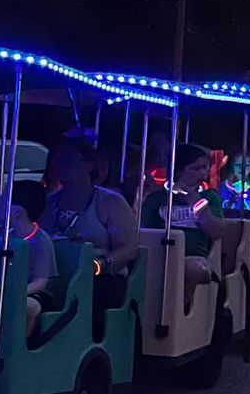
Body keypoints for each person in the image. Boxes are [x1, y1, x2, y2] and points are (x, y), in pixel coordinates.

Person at [45, 131, 141, 310]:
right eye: (58, 161)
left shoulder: (110, 201)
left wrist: (97, 266)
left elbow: (129, 248)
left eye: (70, 160)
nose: (62, 166)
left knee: (90, 293)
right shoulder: (49, 202)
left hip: (100, 277)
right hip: (55, 274)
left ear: (89, 165)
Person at [141, 146, 230, 305]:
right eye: (196, 168)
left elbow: (216, 231)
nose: (203, 173)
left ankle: (180, 307)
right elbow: (144, 230)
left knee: (192, 269)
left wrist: (197, 205)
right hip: (160, 254)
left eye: (205, 168)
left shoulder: (210, 197)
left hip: (193, 256)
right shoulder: (157, 198)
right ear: (178, 170)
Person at [9, 181, 58, 339]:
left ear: (18, 210)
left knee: (26, 306)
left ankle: (21, 346)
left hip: (36, 294)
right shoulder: (6, 237)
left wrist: (18, 292)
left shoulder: (41, 240)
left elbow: (41, 281)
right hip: (8, 290)